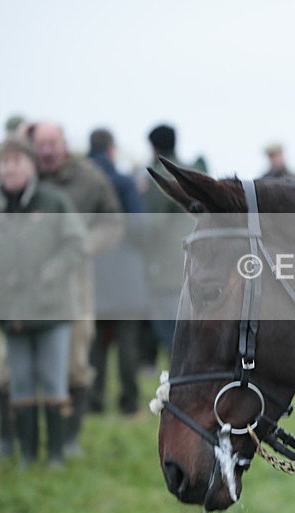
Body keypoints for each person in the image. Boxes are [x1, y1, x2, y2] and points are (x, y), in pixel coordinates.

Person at [0, 138, 87, 467]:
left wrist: (52, 270)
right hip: (9, 309)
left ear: (31, 167)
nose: (10, 168)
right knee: (21, 382)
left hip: (51, 308)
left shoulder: (54, 201)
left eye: (17, 162)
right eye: (5, 163)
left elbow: (76, 243)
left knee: (55, 380)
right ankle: (27, 455)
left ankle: (55, 455)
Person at [27, 121, 123, 454]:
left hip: (75, 281)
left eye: (53, 143)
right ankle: (15, 440)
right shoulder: (21, 173)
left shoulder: (90, 178)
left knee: (75, 361)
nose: (47, 151)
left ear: (64, 143)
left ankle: (68, 439)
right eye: (40, 144)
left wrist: (83, 247)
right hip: (25, 284)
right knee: (11, 370)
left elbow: (114, 223)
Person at [87, 128, 150, 415]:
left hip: (92, 269)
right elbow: (139, 228)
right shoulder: (124, 182)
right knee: (127, 341)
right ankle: (128, 402)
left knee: (96, 343)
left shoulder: (83, 180)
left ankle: (94, 401)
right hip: (124, 270)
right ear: (111, 149)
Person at [140, 124, 197, 359]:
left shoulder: (158, 174)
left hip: (166, 268)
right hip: (195, 259)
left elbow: (152, 224)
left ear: (153, 147)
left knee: (172, 335)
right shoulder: (192, 171)